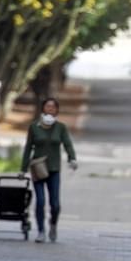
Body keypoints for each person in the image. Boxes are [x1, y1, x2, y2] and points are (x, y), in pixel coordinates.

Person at [20, 98, 77, 243]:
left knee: (55, 204)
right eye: (47, 107)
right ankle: (40, 231)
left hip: (54, 170)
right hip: (38, 169)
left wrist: (72, 158)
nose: (50, 109)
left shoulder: (60, 127)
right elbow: (28, 148)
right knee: (40, 201)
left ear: (57, 110)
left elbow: (67, 144)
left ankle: (53, 224)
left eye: (53, 107)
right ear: (43, 109)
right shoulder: (34, 127)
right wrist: (22, 169)